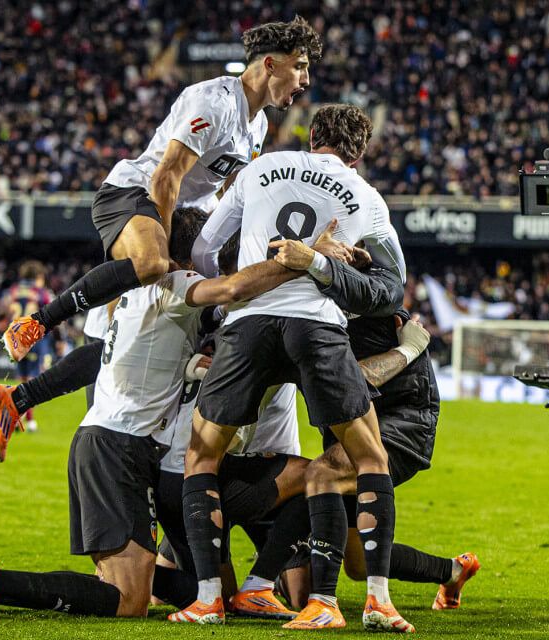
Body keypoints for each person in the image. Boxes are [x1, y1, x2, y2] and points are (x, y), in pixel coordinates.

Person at [0, 208, 306, 621]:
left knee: (154, 590)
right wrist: (302, 260)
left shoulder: (136, 293)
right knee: (127, 601)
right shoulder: (177, 285)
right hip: (116, 447)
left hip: (120, 444)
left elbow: (129, 351)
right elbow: (232, 288)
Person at [172, 104, 411, 631]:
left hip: (248, 324)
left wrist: (231, 298)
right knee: (369, 456)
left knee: (201, 456)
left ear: (312, 135)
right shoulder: (368, 198)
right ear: (359, 154)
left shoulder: (261, 168)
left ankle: (208, 599)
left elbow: (206, 248)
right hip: (317, 325)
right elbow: (394, 286)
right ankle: (373, 600)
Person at [0, 17, 321, 364]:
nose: (306, 80)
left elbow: (231, 192)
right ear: (270, 65)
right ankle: (37, 322)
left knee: (211, 297)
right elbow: (166, 177)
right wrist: (166, 249)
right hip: (137, 194)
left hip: (187, 215)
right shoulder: (215, 102)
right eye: (299, 67)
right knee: (152, 264)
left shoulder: (259, 124)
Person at [272, 237, 481, 611]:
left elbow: (350, 378)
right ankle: (452, 571)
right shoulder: (304, 298)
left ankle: (321, 603)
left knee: (321, 474)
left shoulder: (372, 294)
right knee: (357, 563)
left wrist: (407, 350)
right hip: (349, 423)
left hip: (404, 421)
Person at [4, 260, 55, 433]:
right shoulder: (41, 293)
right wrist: (58, 339)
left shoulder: (13, 291)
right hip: (34, 339)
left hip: (16, 339)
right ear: (39, 276)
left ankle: (18, 418)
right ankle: (28, 420)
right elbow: (53, 312)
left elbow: (6, 311)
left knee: (22, 379)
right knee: (33, 381)